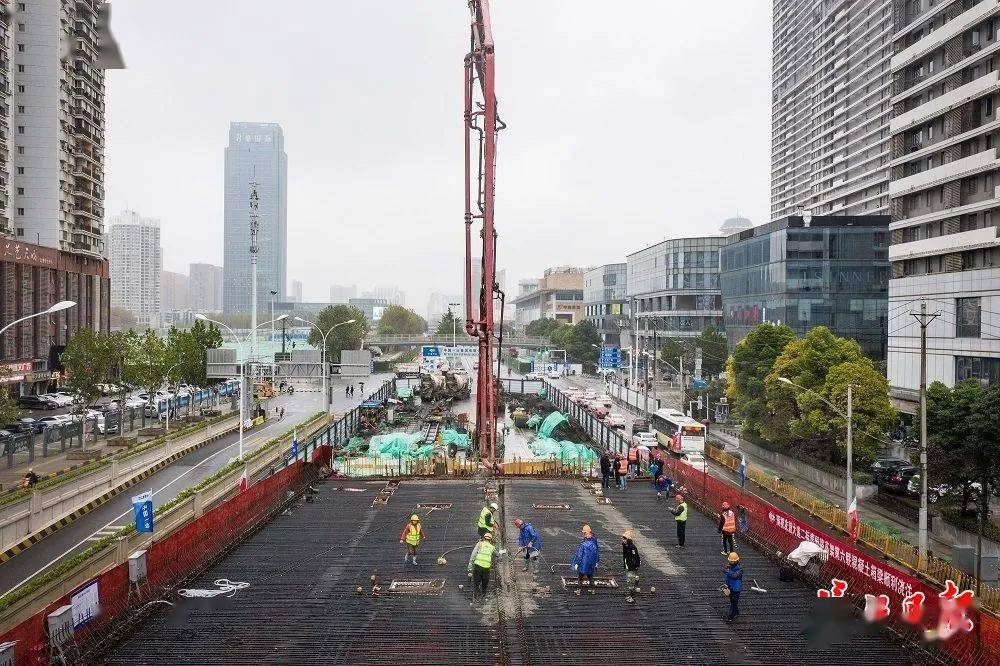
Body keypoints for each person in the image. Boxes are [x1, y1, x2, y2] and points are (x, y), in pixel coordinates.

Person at [571, 524, 600, 596]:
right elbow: (596, 553)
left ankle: (578, 591)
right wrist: (596, 562)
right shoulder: (594, 544)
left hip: (583, 564)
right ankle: (592, 590)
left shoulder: (583, 545)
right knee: (591, 577)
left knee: (580, 577)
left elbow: (579, 555)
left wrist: (577, 563)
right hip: (591, 564)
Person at [468, 532, 495, 601]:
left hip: (477, 567)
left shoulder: (479, 544)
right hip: (486, 568)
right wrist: (501, 552)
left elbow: (473, 554)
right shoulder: (492, 547)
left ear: (484, 538)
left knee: (476, 582)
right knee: (485, 583)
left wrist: (470, 565)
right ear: (491, 540)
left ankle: (476, 597)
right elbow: (497, 554)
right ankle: (483, 596)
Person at [621, 529, 641, 604]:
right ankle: (631, 596)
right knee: (629, 582)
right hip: (628, 567)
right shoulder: (626, 546)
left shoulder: (632, 548)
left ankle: (633, 597)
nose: (623, 540)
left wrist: (636, 566)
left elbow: (636, 557)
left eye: (624, 538)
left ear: (628, 539)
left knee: (631, 583)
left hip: (631, 568)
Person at [724, 551, 744, 622]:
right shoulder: (729, 567)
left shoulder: (740, 569)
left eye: (732, 562)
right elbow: (728, 578)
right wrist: (726, 585)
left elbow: (735, 576)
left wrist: (727, 572)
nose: (730, 563)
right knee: (732, 601)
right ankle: (736, 612)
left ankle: (731, 616)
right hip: (730, 587)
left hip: (736, 588)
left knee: (734, 602)